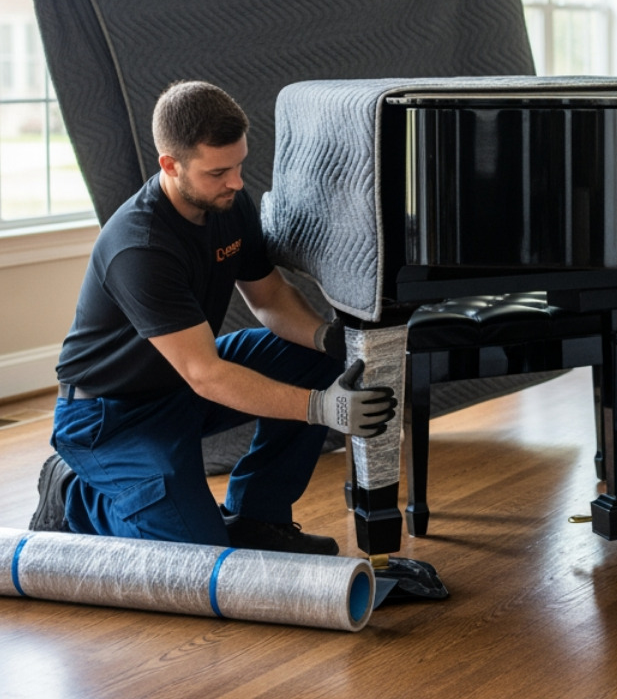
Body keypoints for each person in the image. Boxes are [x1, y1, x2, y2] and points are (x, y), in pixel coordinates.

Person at [29, 81, 394, 554]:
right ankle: (73, 495)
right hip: (109, 414)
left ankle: (257, 515)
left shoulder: (227, 203)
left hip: (181, 382)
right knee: (197, 551)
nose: (237, 182)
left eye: (239, 164)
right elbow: (206, 374)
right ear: (170, 165)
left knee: (312, 356)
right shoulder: (140, 247)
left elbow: (269, 299)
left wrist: (329, 340)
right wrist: (322, 408)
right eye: (218, 171)